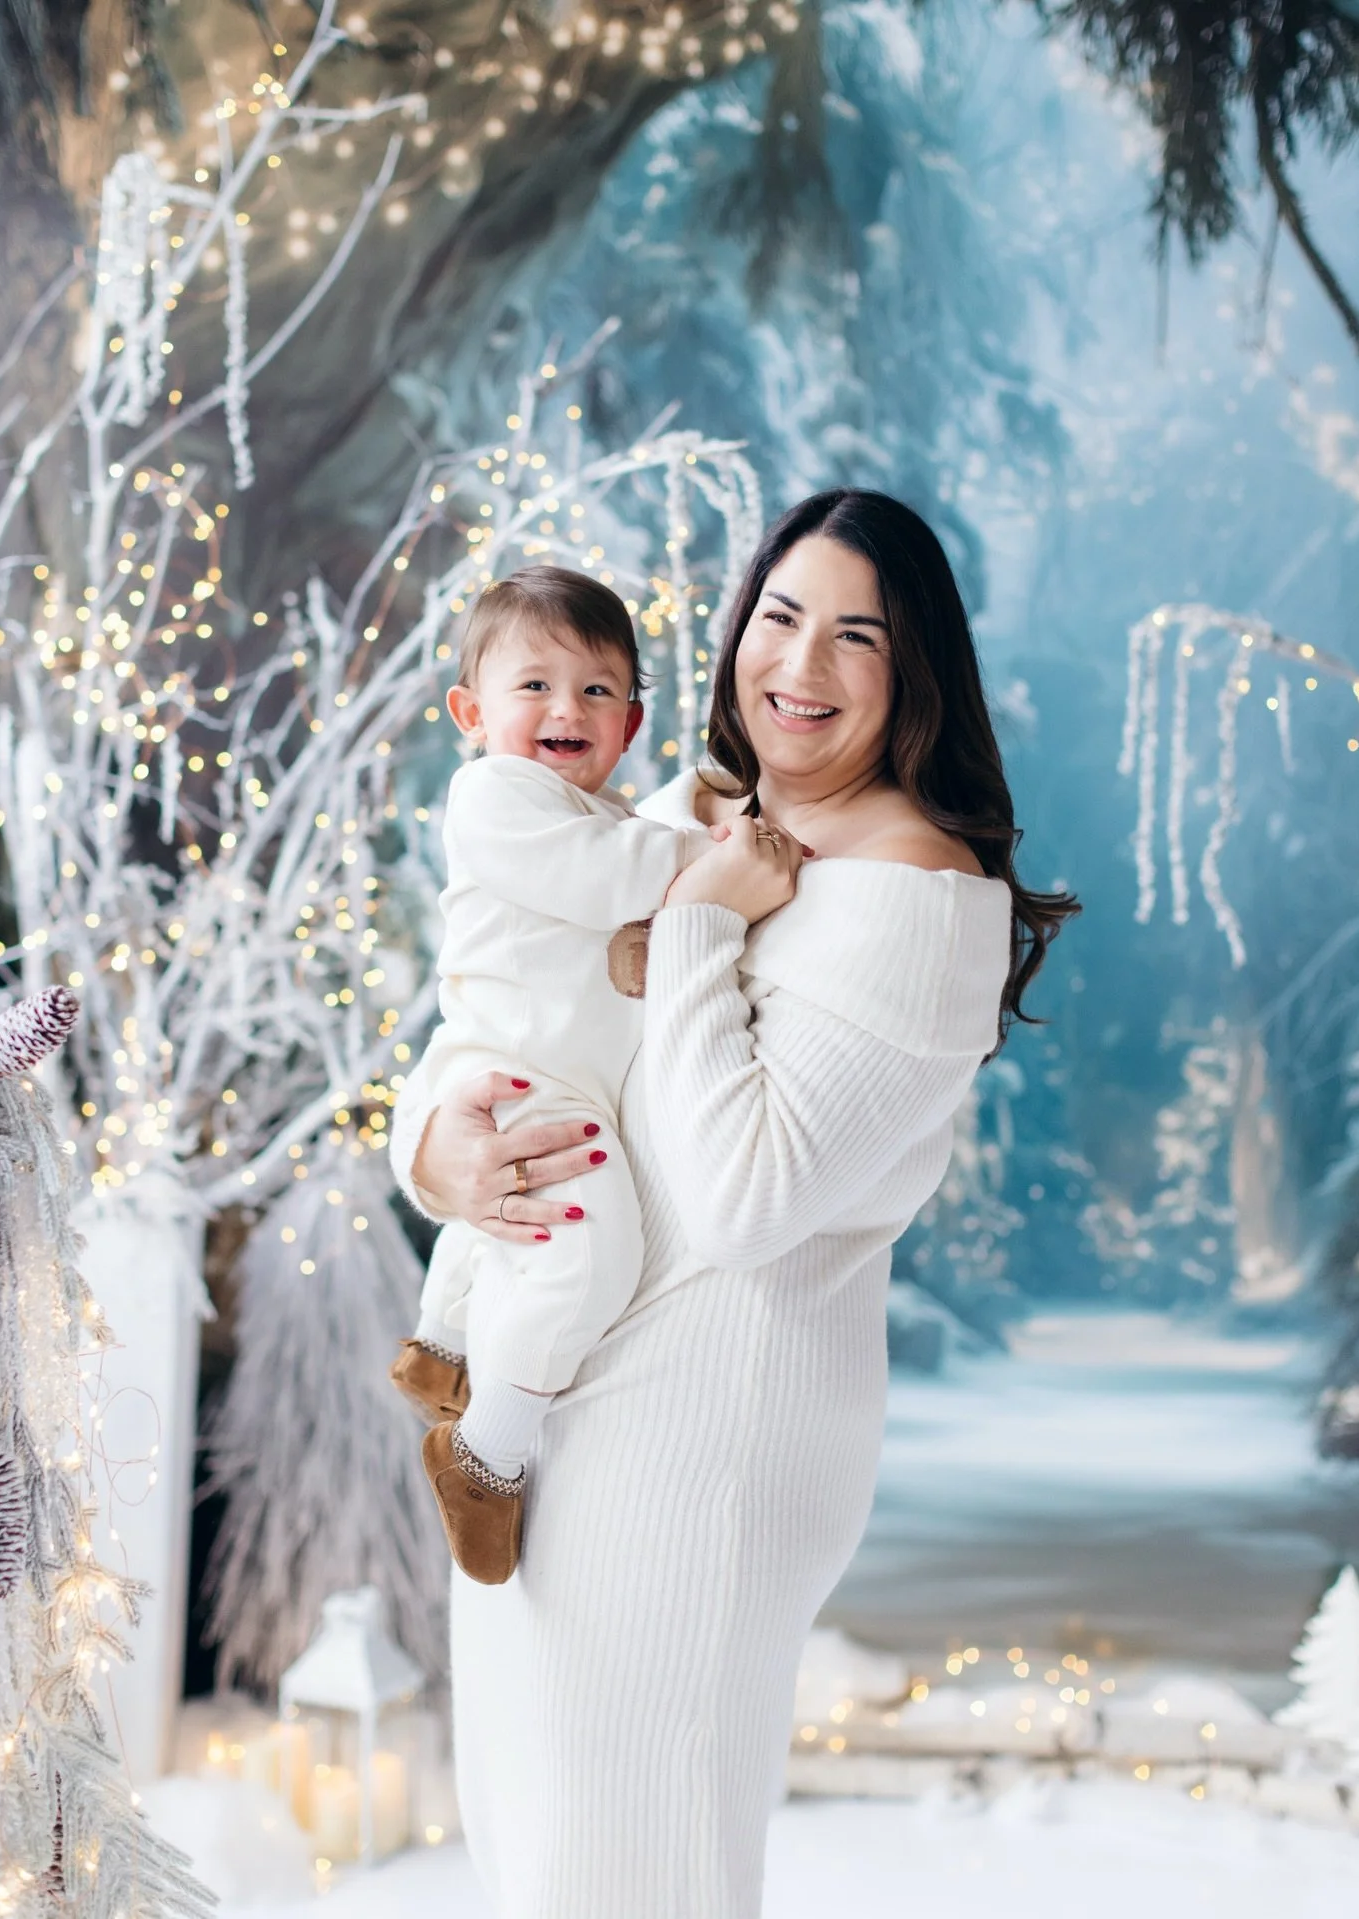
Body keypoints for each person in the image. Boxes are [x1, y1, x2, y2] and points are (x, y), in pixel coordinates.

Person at [390, 489, 1079, 1918]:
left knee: (631, 1869)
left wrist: (701, 916)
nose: (799, 664)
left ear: (916, 676)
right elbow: (519, 993)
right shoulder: (723, 817)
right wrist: (434, 1149)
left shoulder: (914, 900)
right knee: (541, 1847)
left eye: (854, 636)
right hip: (556, 1411)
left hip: (696, 1442)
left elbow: (745, 1193)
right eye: (777, 615)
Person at [391, 565, 719, 1584]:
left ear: (631, 720)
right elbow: (603, 880)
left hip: (535, 1069)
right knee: (589, 1251)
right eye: (533, 685)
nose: (566, 708)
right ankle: (486, 1449)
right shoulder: (494, 793)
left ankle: (445, 1344)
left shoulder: (607, 812)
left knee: (511, 1228)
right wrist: (716, 856)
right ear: (470, 710)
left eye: (597, 688)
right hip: (526, 1076)